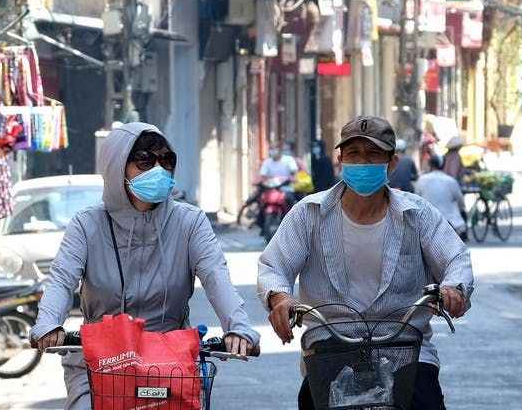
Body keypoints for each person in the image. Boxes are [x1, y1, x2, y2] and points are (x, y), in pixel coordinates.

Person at [30, 122, 260, 409]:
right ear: (117, 166)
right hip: (99, 364)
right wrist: (48, 324)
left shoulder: (190, 222)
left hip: (169, 363)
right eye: (145, 161)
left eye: (166, 160)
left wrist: (238, 328)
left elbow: (217, 278)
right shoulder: (86, 225)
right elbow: (61, 281)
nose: (158, 170)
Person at [257, 115, 474, 410]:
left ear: (392, 163)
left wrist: (453, 288)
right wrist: (281, 298)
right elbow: (274, 266)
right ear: (340, 159)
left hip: (406, 348)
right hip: (331, 347)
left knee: (426, 400)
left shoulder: (418, 214)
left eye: (373, 154)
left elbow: (455, 258)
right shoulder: (308, 214)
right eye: (354, 153)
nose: (363, 161)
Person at [416, 155, 468, 241]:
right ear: (444, 165)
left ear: (430, 165)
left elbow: (417, 199)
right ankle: (465, 236)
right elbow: (460, 201)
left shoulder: (422, 180)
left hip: (427, 221)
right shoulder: (451, 181)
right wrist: (461, 209)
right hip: (451, 222)